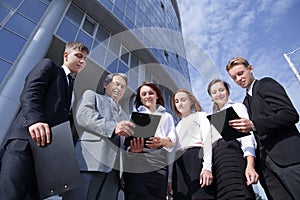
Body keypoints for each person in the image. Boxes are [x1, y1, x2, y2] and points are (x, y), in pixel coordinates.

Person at [0, 42, 89, 199]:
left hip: (46, 152)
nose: (83, 61)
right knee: (10, 194)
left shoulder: (72, 86)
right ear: (66, 55)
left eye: (85, 59)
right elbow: (30, 92)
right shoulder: (49, 66)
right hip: (25, 143)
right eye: (79, 56)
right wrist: (35, 120)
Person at [225, 56, 300, 200]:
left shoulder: (265, 84)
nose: (238, 79)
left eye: (240, 73)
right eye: (234, 77)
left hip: (288, 159)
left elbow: (290, 115)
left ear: (250, 69)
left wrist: (254, 125)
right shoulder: (244, 104)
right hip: (266, 170)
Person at [62, 73, 135, 200]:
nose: (119, 88)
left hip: (114, 172)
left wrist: (132, 149)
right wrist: (113, 127)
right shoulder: (92, 95)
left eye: (123, 87)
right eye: (117, 84)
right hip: (90, 162)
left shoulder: (125, 115)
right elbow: (83, 116)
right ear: (106, 84)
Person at [123, 82, 176, 200]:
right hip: (137, 160)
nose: (147, 96)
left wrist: (162, 141)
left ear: (157, 96)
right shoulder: (134, 116)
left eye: (151, 93)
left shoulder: (167, 116)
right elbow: (126, 143)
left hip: (159, 161)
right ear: (140, 98)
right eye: (144, 94)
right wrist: (132, 150)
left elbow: (172, 141)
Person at [207, 79, 258, 200]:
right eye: (214, 92)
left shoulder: (237, 107)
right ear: (211, 97)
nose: (218, 94)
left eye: (221, 90)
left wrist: (250, 165)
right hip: (217, 163)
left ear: (228, 92)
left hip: (232, 157)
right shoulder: (212, 119)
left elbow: (247, 137)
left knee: (237, 193)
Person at [169, 88, 215, 200]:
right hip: (179, 163)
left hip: (195, 157)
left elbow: (207, 140)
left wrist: (207, 167)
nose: (180, 103)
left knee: (200, 195)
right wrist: (170, 179)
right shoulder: (176, 126)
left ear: (191, 101)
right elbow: (171, 153)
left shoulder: (200, 116)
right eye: (177, 101)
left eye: (183, 100)